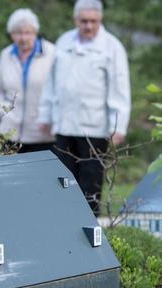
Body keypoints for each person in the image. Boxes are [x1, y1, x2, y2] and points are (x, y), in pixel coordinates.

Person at [38, 0, 130, 215]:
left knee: (90, 183)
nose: (89, 26)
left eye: (93, 21)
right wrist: (45, 115)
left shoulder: (112, 46)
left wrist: (119, 125)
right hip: (64, 125)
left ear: (100, 20)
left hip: (94, 128)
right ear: (75, 20)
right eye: (84, 21)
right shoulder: (63, 41)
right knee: (62, 181)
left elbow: (120, 89)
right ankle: (64, 223)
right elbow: (51, 83)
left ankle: (90, 228)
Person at [0, 8, 56, 153]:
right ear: (11, 34)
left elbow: (60, 90)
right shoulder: (6, 55)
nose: (23, 38)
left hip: (43, 134)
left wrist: (50, 116)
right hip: (10, 132)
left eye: (28, 33)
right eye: (18, 33)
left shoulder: (52, 53)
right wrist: (4, 111)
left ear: (35, 32)